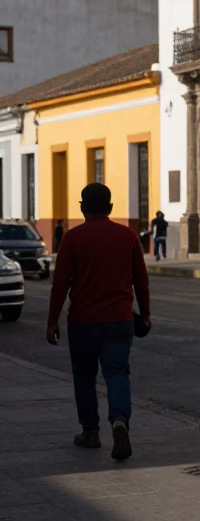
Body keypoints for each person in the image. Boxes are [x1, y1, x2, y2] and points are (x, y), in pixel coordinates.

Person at [46, 183, 151, 461]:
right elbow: (141, 280)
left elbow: (60, 284)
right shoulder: (128, 236)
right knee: (117, 373)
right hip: (120, 319)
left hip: (83, 321)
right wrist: (147, 313)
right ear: (111, 208)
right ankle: (119, 421)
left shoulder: (72, 238)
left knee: (84, 377)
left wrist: (52, 321)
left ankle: (90, 433)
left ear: (82, 207)